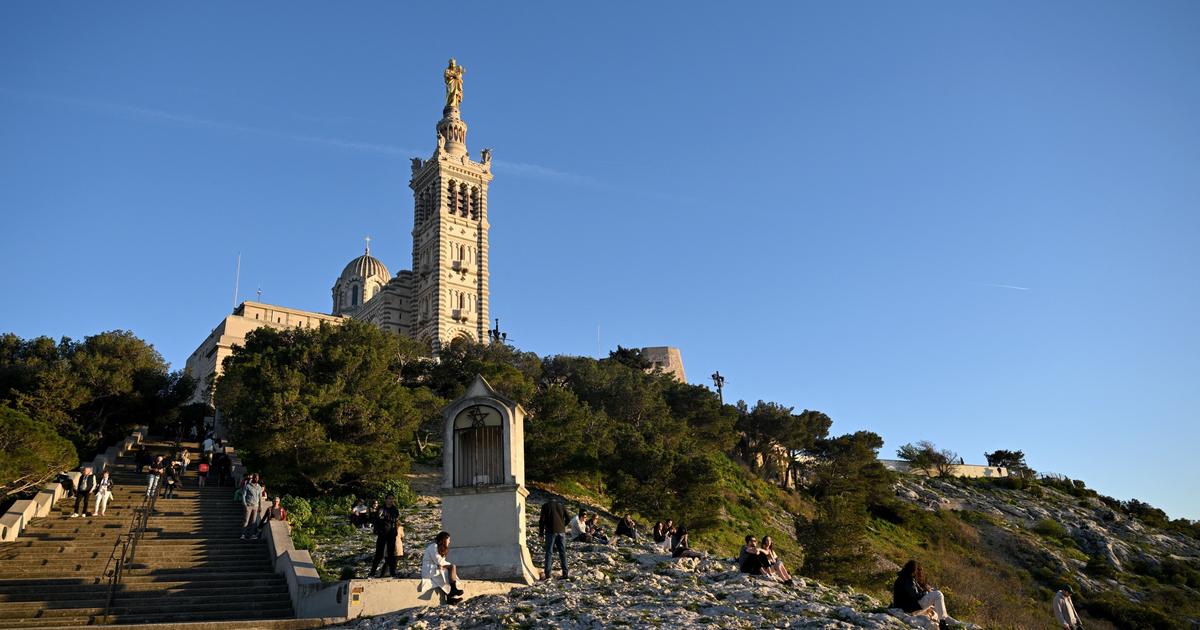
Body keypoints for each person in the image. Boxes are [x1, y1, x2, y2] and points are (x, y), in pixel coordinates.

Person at [892, 560, 956, 625]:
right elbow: (915, 596)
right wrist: (926, 591)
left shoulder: (903, 578)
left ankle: (954, 623)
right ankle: (943, 623)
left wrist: (926, 590)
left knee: (938, 608)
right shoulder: (907, 579)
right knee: (938, 594)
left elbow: (911, 593)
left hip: (906, 606)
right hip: (909, 608)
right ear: (913, 570)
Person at [419, 532, 464, 604]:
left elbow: (441, 562)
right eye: (448, 540)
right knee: (448, 571)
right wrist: (445, 566)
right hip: (429, 569)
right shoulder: (433, 546)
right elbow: (438, 561)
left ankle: (451, 595)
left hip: (435, 567)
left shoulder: (439, 547)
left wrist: (446, 565)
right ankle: (452, 593)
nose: (449, 541)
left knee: (449, 570)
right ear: (444, 539)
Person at [368, 494, 403, 578]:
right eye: (389, 499)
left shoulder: (394, 509)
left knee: (391, 555)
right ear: (386, 500)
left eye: (392, 499)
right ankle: (372, 573)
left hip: (391, 534)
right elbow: (376, 519)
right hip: (382, 534)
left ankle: (392, 573)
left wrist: (384, 517)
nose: (391, 500)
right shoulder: (381, 509)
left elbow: (395, 518)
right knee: (378, 554)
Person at [538, 498, 568, 580]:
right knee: (562, 552)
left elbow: (542, 521)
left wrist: (541, 533)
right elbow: (568, 518)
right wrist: (562, 525)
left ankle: (548, 574)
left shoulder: (545, 506)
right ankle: (565, 574)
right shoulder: (561, 505)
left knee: (549, 552)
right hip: (561, 532)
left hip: (550, 532)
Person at [240, 473, 263, 540]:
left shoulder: (259, 487)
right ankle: (243, 534)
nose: (257, 479)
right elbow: (243, 495)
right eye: (255, 478)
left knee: (253, 522)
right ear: (253, 478)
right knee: (246, 520)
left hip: (255, 506)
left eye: (258, 478)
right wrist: (245, 505)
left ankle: (252, 535)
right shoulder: (247, 486)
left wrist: (260, 506)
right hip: (248, 505)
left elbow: (260, 497)